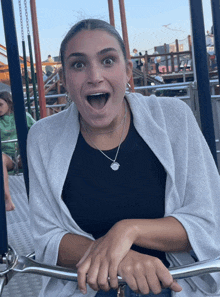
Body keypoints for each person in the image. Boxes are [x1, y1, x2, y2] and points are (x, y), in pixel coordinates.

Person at [27, 19, 220, 297]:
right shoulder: (43, 137)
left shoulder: (173, 118)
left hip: (177, 282)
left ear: (128, 71)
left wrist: (127, 231)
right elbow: (47, 238)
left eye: (107, 60)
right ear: (65, 80)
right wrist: (123, 260)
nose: (94, 76)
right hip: (87, 289)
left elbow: (207, 221)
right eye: (78, 65)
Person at [0, 91, 35, 211]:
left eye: (0, 105)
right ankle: (7, 198)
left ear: (9, 104)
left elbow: (37, 132)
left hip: (21, 155)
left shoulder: (23, 116)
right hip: (7, 157)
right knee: (1, 159)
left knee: (35, 153)